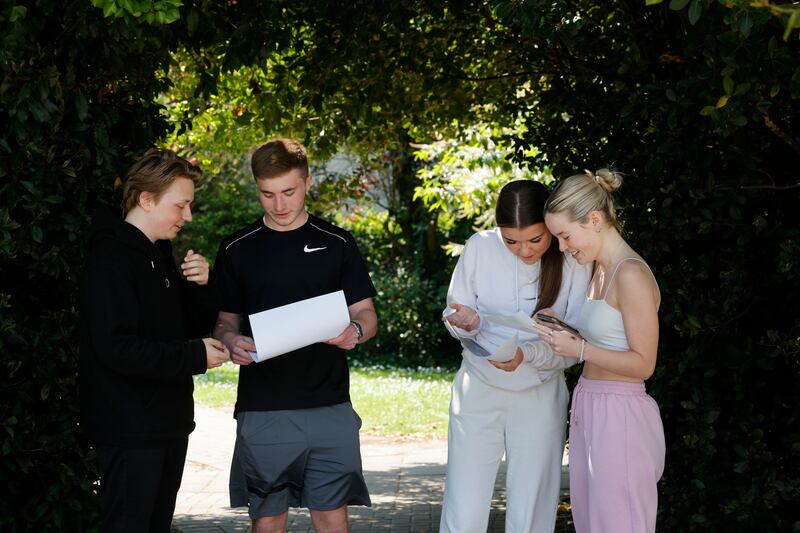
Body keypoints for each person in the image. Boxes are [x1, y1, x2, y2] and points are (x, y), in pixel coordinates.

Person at [212, 138, 378, 533]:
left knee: (333, 518)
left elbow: (367, 314)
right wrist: (232, 341)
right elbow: (224, 321)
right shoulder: (236, 248)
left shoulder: (337, 242)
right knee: (268, 520)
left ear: (307, 182)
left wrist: (355, 331)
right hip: (264, 407)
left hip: (330, 404)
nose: (279, 204)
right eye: (267, 194)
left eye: (288, 191)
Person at [79, 149, 230, 533]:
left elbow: (182, 327)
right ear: (146, 199)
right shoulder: (111, 257)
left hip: (168, 423)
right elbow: (117, 348)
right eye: (181, 205)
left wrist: (202, 287)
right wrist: (195, 355)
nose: (189, 216)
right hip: (130, 428)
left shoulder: (158, 252)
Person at [439, 180, 592, 533]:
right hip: (478, 389)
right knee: (464, 500)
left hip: (539, 393)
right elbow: (454, 313)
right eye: (511, 241)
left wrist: (527, 355)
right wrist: (466, 323)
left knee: (533, 503)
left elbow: (575, 346)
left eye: (535, 240)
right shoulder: (479, 247)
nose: (524, 250)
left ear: (551, 228)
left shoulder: (572, 260)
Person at [536, 169, 665, 533]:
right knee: (593, 523)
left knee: (620, 523)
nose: (562, 247)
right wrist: (563, 325)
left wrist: (580, 349)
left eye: (564, 235)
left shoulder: (631, 274)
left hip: (620, 412)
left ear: (594, 220)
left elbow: (644, 364)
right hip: (590, 405)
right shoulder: (599, 269)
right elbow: (607, 340)